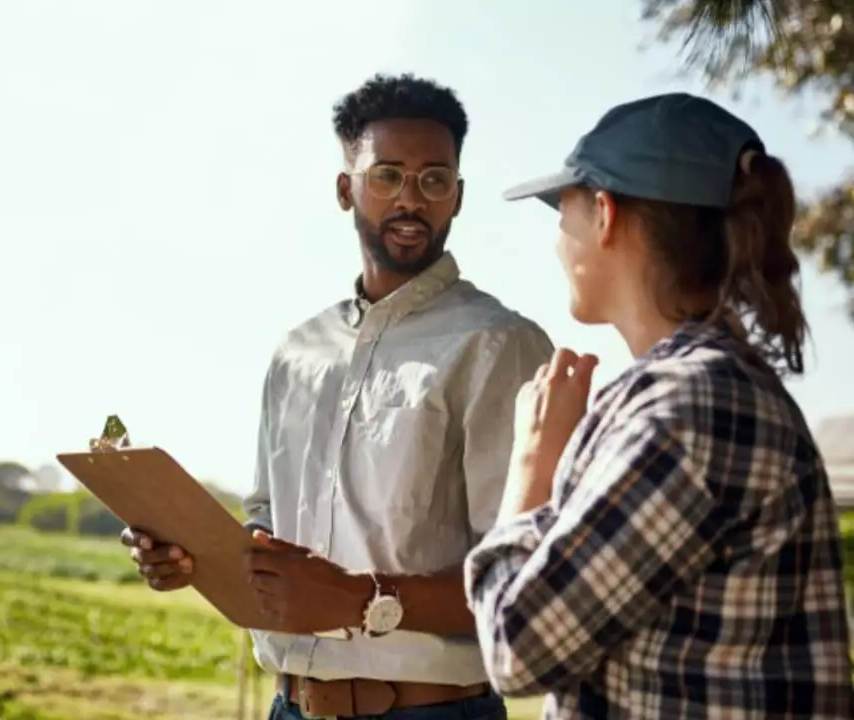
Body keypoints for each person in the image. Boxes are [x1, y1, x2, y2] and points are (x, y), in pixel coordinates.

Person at [122, 73, 554, 719]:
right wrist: (195, 557)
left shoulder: (499, 345)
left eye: (434, 180)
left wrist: (362, 599)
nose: (411, 198)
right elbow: (267, 521)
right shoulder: (298, 351)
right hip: (288, 706)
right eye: (387, 175)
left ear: (458, 197)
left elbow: (522, 577)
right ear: (345, 188)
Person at [463, 92, 854, 719]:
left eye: (562, 209)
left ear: (604, 212)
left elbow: (516, 647)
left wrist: (532, 465)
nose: (558, 241)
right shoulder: (702, 392)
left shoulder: (689, 409)